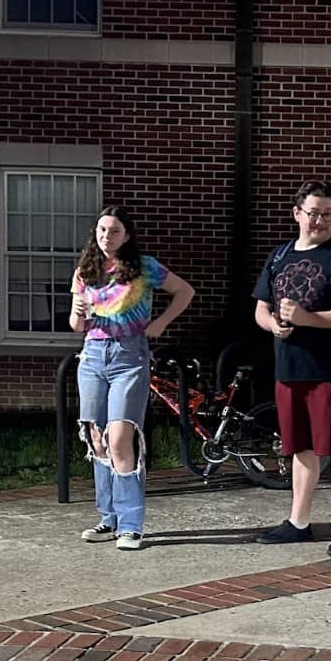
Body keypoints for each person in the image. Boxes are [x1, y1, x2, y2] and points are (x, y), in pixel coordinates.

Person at [252, 180, 331, 556]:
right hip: (289, 368)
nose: (320, 221)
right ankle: (298, 522)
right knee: (299, 447)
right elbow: (259, 307)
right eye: (314, 213)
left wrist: (308, 319)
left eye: (328, 214)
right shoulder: (280, 255)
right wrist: (275, 325)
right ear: (297, 214)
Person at [68, 205, 195, 550]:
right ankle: (107, 518)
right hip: (93, 355)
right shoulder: (86, 270)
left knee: (121, 436)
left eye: (114, 231)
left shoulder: (144, 268)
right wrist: (78, 313)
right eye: (101, 230)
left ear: (127, 235)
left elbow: (185, 291)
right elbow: (77, 326)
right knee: (96, 437)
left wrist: (161, 322)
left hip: (129, 355)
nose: (106, 237)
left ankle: (131, 523)